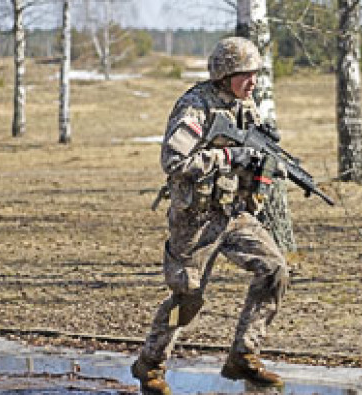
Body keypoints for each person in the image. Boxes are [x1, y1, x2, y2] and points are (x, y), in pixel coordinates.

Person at [131, 36, 290, 395]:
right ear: (224, 74)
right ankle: (150, 365)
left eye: (255, 75)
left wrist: (263, 173)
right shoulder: (195, 107)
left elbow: (256, 155)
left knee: (275, 270)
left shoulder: (247, 107)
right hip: (195, 220)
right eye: (245, 75)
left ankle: (244, 355)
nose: (252, 82)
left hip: (234, 214)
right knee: (187, 298)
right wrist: (228, 158)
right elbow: (174, 161)